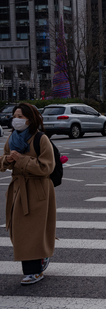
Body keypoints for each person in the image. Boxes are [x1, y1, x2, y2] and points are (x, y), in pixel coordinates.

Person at [1, 103, 55, 285]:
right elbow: (4, 161)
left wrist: (21, 160)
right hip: (18, 189)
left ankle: (34, 271)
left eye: (20, 117)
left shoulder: (41, 139)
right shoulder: (12, 138)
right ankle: (41, 258)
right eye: (14, 116)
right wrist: (7, 160)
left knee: (32, 231)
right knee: (19, 232)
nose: (15, 119)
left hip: (38, 189)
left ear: (30, 119)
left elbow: (46, 167)